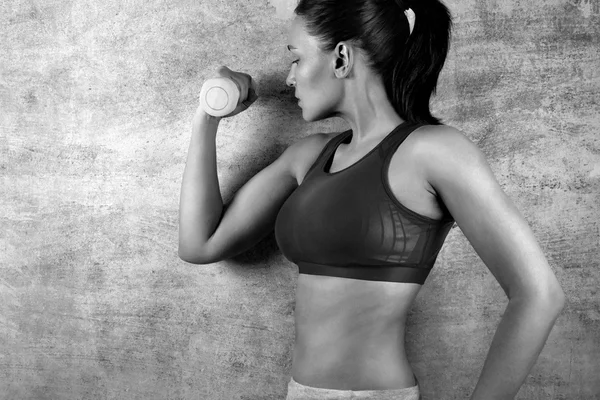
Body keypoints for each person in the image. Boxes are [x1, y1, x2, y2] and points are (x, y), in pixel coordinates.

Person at [178, 0, 565, 398]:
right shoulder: (309, 156)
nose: (290, 78)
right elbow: (199, 243)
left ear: (342, 57)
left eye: (296, 58)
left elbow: (540, 295)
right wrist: (207, 118)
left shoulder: (434, 152)